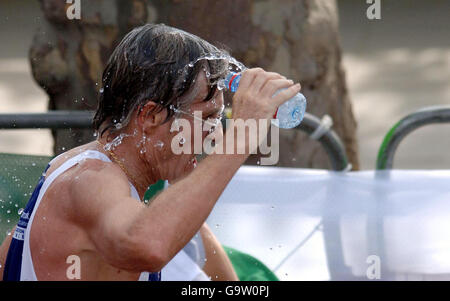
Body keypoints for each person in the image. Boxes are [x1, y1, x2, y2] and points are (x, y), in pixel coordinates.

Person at [0, 23, 300, 281]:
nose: (216, 135)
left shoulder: (115, 175)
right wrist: (241, 139)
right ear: (150, 116)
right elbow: (149, 245)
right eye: (207, 118)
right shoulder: (92, 180)